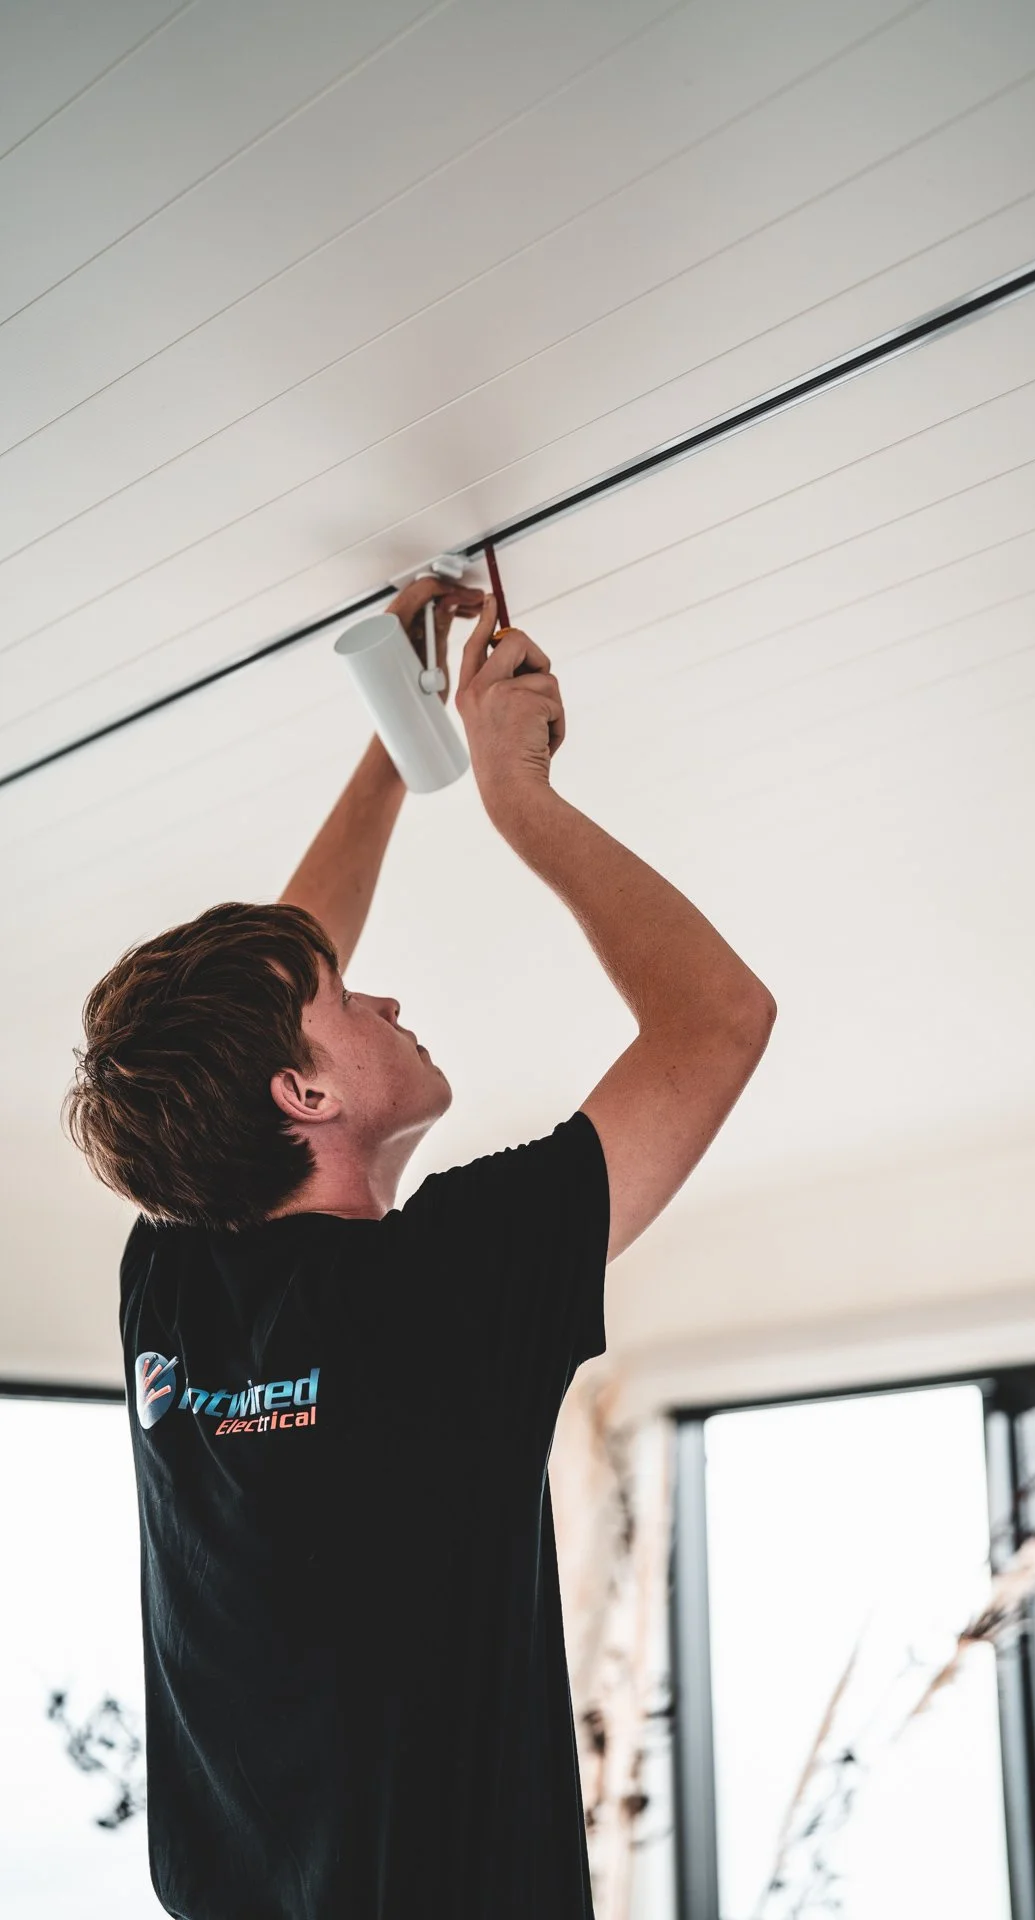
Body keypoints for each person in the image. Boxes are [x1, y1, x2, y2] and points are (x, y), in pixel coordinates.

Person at [64, 576, 776, 1920]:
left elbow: (268, 1000)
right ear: (306, 1099)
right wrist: (522, 802)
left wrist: (405, 746)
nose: (377, 987)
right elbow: (717, 1021)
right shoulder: (433, 1286)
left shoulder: (175, 1282)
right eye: (347, 1000)